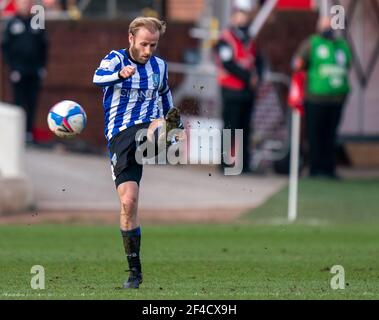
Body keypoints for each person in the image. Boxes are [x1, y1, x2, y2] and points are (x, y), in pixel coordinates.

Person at [93, 17, 180, 289]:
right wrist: (119, 75)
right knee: (128, 203)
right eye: (144, 44)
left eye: (153, 45)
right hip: (120, 134)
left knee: (156, 127)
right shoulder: (115, 60)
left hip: (148, 125)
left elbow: (165, 95)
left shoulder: (159, 66)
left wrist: (171, 119)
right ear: (131, 38)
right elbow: (97, 78)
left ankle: (162, 135)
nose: (148, 50)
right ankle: (134, 273)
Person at [292, 16, 352, 179]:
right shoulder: (311, 44)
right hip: (315, 98)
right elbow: (297, 64)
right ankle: (315, 169)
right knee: (315, 135)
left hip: (337, 98)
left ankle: (329, 169)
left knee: (330, 135)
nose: (328, 29)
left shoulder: (341, 45)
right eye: (324, 25)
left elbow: (348, 64)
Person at [214, 0, 263, 174]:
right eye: (240, 15)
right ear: (234, 16)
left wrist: (258, 78)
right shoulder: (225, 39)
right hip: (231, 90)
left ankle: (244, 165)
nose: (243, 18)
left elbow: (257, 60)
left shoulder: (249, 38)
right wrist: (249, 77)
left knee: (245, 128)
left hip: (247, 92)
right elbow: (228, 64)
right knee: (230, 127)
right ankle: (225, 164)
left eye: (245, 15)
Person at [1, 0, 48, 144]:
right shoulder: (12, 23)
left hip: (34, 70)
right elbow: (6, 47)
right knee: (18, 103)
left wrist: (42, 67)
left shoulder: (37, 22)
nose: (26, 6)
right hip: (18, 70)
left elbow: (43, 45)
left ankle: (29, 133)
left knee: (32, 102)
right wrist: (12, 67)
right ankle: (17, 134)